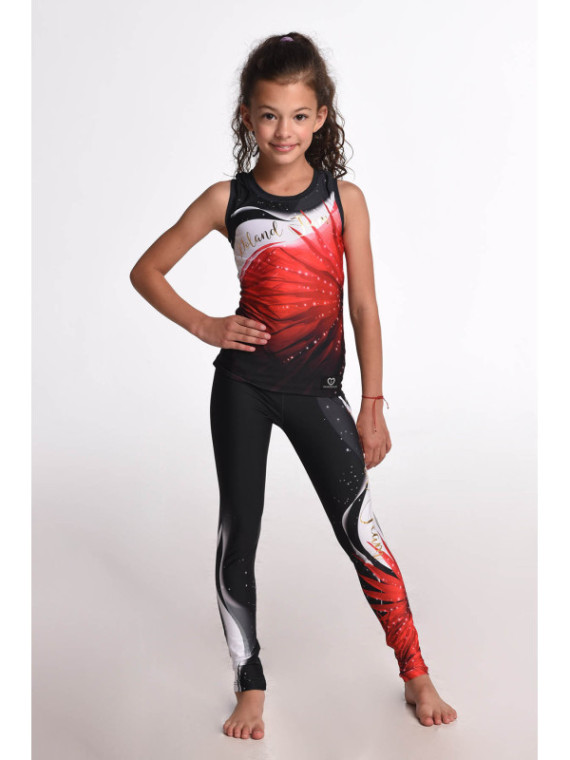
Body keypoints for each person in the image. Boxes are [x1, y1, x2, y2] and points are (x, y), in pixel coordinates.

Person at [129, 31, 457, 740]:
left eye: (300, 115)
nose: (285, 130)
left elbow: (364, 307)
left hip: (317, 391)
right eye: (270, 115)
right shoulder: (228, 199)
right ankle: (249, 682)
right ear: (247, 116)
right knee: (238, 534)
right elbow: (146, 271)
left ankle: (414, 669)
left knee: (361, 531)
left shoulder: (344, 200)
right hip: (243, 388)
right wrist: (207, 326)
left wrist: (372, 405)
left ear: (322, 116)